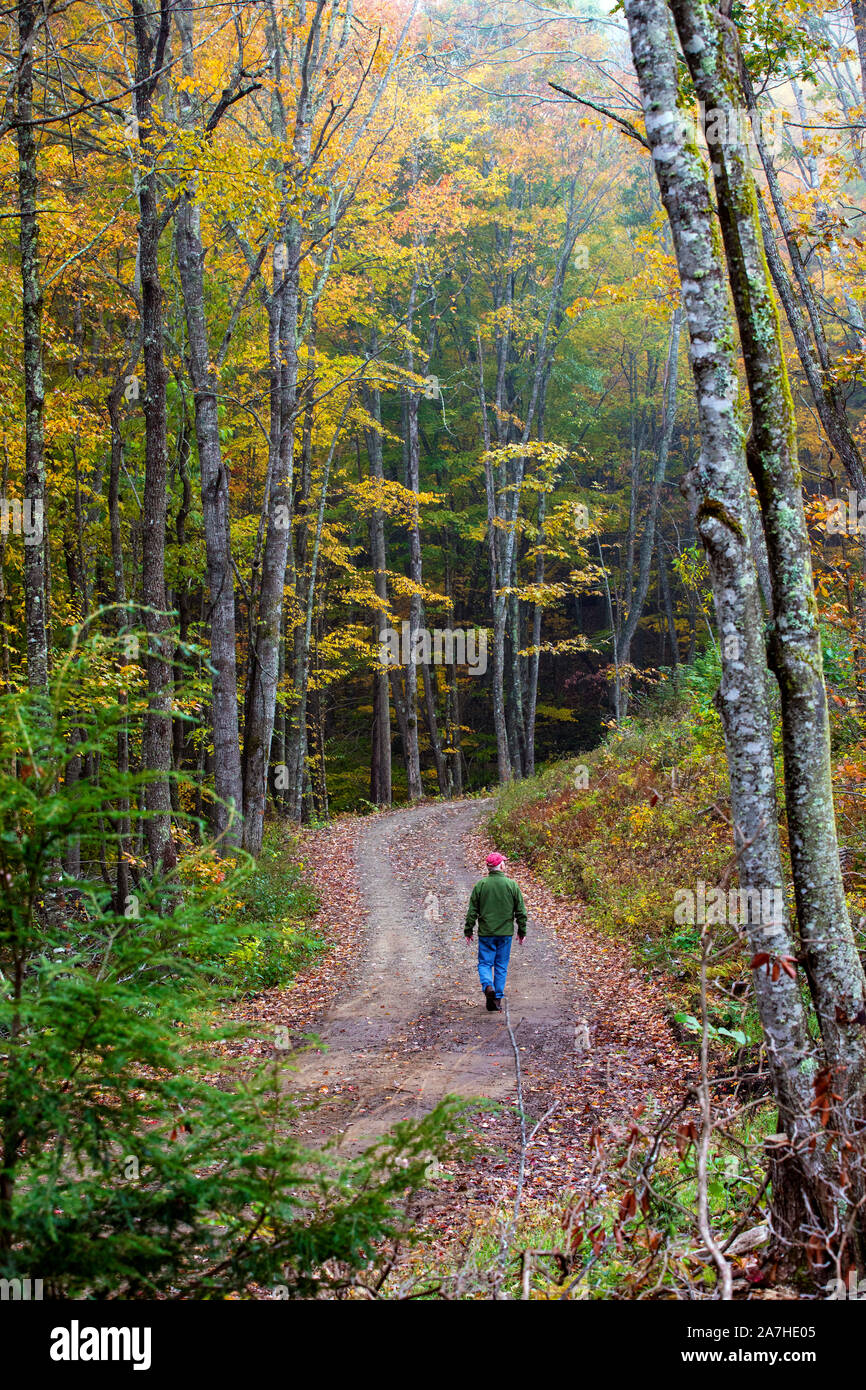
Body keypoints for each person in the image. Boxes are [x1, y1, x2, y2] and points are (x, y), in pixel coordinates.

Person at [464, 852, 527, 1012]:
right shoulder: (512, 885)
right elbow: (521, 911)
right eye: (504, 862)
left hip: (486, 933)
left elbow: (472, 911)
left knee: (485, 963)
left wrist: (468, 929)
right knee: (501, 965)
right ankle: (497, 998)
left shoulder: (481, 885)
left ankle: (487, 986)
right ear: (500, 866)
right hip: (505, 934)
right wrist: (522, 930)